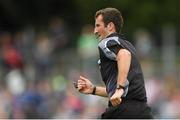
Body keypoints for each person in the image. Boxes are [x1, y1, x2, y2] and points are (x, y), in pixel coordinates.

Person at [75, 7, 153, 119]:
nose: (95, 31)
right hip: (142, 111)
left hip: (122, 110)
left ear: (110, 26)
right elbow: (122, 92)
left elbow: (124, 55)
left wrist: (119, 88)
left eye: (98, 26)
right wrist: (93, 89)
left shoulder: (106, 43)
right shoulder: (129, 45)